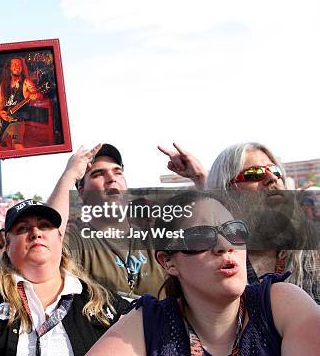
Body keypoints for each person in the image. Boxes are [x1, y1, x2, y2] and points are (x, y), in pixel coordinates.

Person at [0, 121, 131, 356]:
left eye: (45, 226)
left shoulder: (97, 303)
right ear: (7, 245)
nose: (36, 232)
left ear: (60, 239)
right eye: (22, 228)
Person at [87, 190, 320, 355]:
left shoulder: (280, 302)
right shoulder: (148, 324)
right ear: (168, 262)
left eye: (234, 231)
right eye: (201, 236)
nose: (225, 245)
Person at [160, 141, 320, 304]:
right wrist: (200, 177)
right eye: (254, 173)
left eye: (275, 170)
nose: (272, 178)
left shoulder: (309, 245)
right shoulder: (212, 256)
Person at [47, 144, 165, 300]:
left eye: (118, 172)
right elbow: (47, 243)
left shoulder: (155, 237)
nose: (111, 178)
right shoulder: (78, 241)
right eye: (98, 174)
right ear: (82, 193)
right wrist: (69, 175)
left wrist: (201, 179)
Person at [0, 57, 43, 149]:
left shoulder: (26, 82)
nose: (17, 66)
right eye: (14, 64)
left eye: (19, 64)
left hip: (17, 121)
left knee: (17, 144)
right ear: (9, 68)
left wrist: (35, 96)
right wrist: (0, 112)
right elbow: (0, 100)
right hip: (5, 119)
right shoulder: (4, 84)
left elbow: (38, 95)